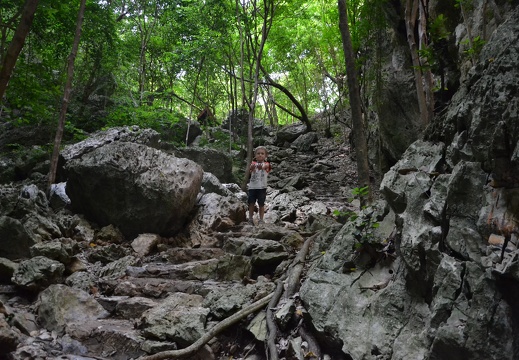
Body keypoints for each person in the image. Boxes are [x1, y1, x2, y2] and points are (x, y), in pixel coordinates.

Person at [248, 146, 272, 225]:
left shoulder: (267, 164)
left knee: (261, 204)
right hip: (252, 187)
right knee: (251, 203)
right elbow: (251, 171)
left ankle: (261, 219)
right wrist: (252, 168)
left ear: (265, 156)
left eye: (262, 153)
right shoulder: (253, 163)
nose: (260, 155)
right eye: (258, 153)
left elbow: (265, 167)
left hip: (262, 187)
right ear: (255, 155)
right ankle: (250, 218)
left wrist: (261, 167)